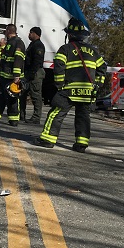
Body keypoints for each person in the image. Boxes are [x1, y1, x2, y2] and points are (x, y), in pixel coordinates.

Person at [34, 18, 106, 151]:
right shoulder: (93, 51)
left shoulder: (65, 49)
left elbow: (59, 66)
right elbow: (103, 67)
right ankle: (81, 144)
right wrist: (97, 84)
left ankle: (47, 139)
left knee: (56, 113)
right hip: (87, 92)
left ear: (70, 34)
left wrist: (59, 84)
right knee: (83, 117)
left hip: (68, 90)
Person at [0, 24, 25, 126]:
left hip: (11, 77)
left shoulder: (18, 43)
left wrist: (16, 76)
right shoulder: (10, 42)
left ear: (8, 31)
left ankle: (14, 119)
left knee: (12, 98)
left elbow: (18, 60)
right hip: (4, 76)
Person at [20, 27, 46, 124]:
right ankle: (21, 114)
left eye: (31, 32)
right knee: (22, 94)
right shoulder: (32, 44)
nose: (29, 34)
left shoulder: (38, 46)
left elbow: (37, 62)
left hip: (35, 73)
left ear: (36, 34)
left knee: (35, 95)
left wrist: (31, 75)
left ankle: (36, 117)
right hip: (28, 72)